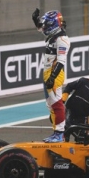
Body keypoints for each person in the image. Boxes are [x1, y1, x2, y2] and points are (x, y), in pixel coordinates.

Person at [32, 9, 70, 143]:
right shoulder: (53, 34)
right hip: (47, 73)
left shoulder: (62, 40)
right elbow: (41, 28)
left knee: (57, 104)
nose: (44, 27)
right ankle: (56, 132)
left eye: (47, 24)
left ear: (54, 25)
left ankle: (59, 134)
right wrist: (35, 20)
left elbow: (61, 62)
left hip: (55, 74)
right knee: (50, 104)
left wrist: (52, 78)